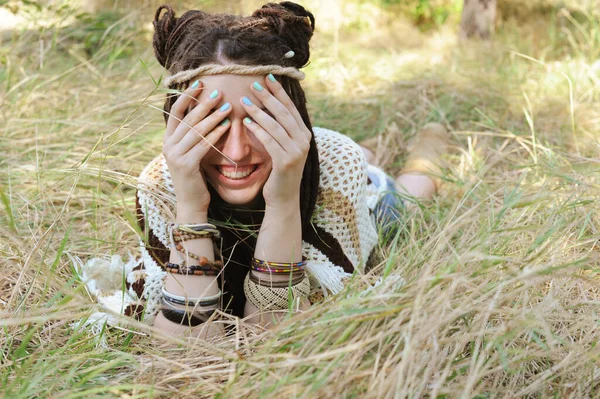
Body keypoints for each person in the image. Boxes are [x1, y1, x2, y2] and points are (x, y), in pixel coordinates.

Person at [79, 1, 450, 338]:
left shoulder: (337, 167)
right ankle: (380, 141)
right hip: (305, 157)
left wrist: (284, 199)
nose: (237, 152)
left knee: (407, 191)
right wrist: (191, 208)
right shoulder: (162, 181)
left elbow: (274, 337)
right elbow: (185, 350)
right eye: (214, 123)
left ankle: (432, 137)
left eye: (259, 121)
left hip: (362, 202)